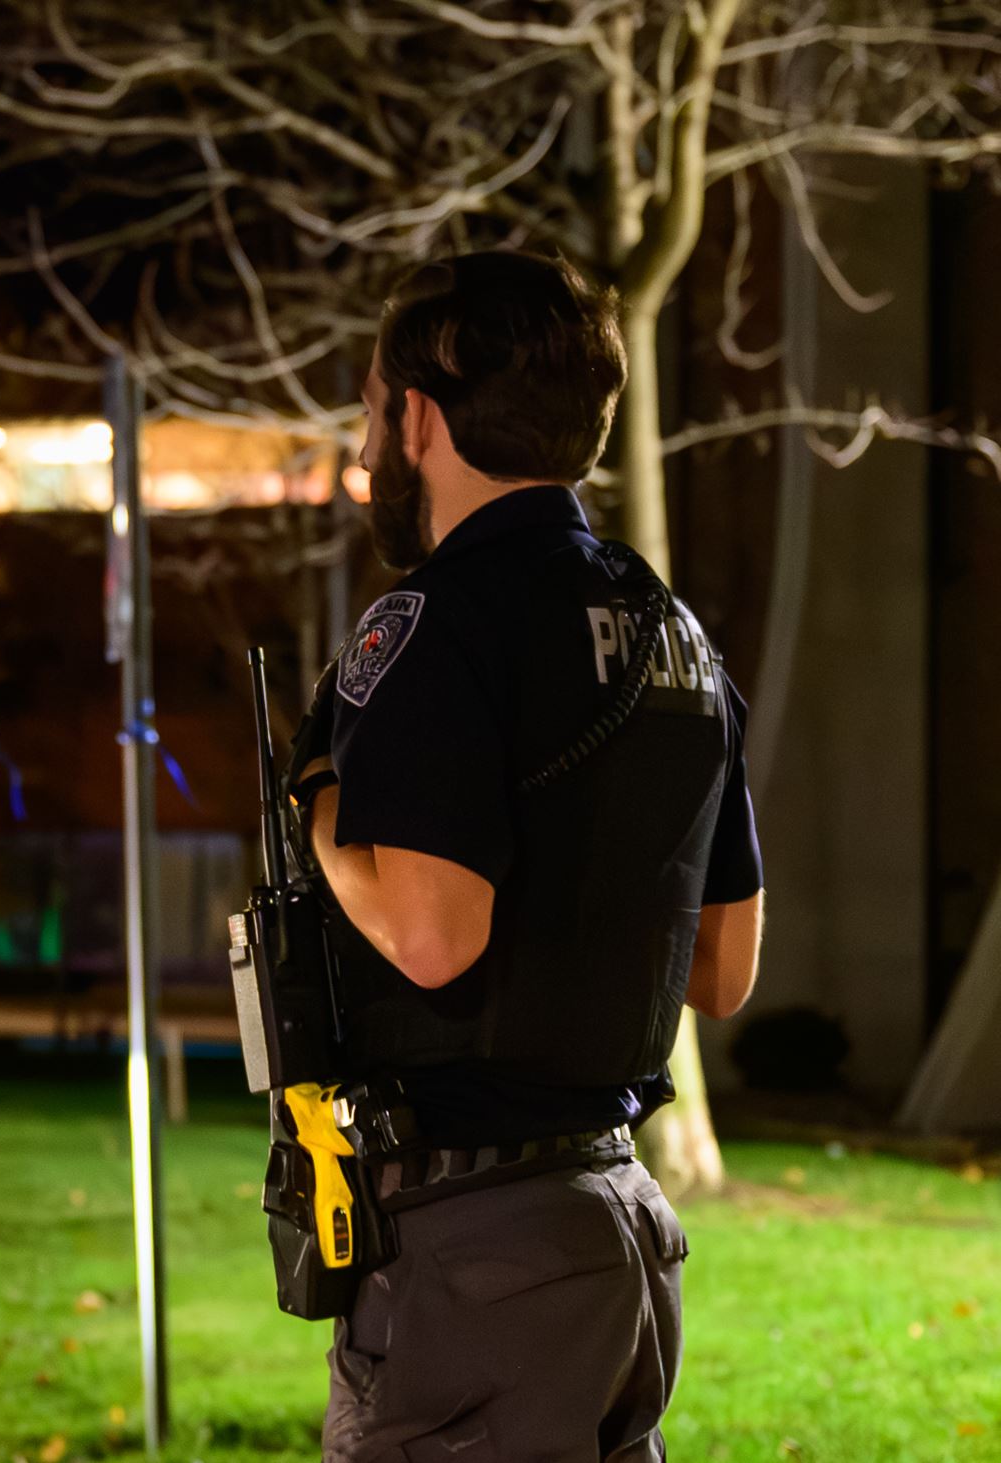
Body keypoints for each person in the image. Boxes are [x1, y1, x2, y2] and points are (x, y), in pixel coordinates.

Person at [292, 251, 764, 1461]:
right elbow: (721, 971)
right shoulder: (675, 636)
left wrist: (320, 814)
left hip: (472, 1251)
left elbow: (432, 938)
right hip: (618, 1233)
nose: (366, 450)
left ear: (419, 417)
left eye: (370, 412)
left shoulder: (431, 624)